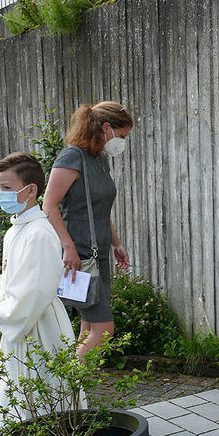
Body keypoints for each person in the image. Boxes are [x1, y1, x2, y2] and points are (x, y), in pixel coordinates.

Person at [0, 153, 78, 436]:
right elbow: (9, 279)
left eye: (6, 187)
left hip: (38, 328)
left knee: (41, 397)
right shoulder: (16, 230)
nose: (0, 194)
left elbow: (33, 293)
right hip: (19, 326)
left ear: (30, 190)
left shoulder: (38, 235)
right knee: (16, 399)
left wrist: (1, 313)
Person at [43, 102, 133, 357]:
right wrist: (68, 248)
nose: (123, 142)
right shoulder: (72, 157)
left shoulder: (98, 158)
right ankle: (67, 386)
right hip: (80, 252)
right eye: (123, 135)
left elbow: (100, 209)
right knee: (104, 328)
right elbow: (49, 205)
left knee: (89, 324)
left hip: (98, 252)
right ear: (106, 127)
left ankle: (73, 392)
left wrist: (116, 244)